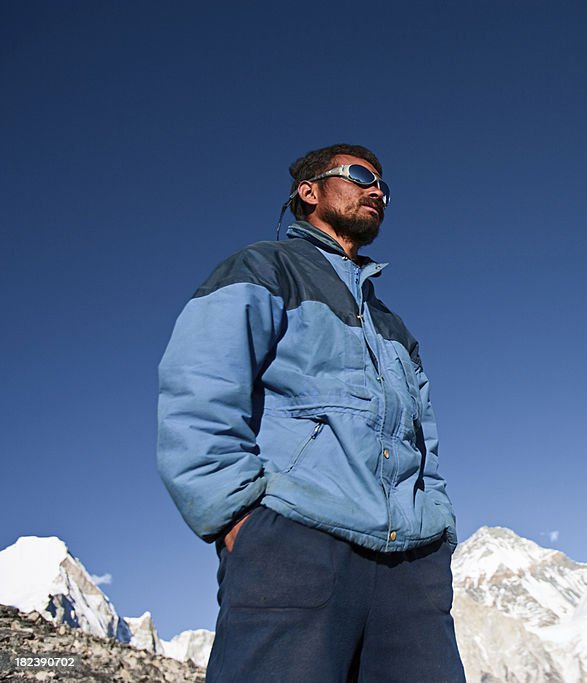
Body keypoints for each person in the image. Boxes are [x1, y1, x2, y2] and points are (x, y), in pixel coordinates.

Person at [157, 143, 465, 682]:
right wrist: (239, 520)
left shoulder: (393, 326)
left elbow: (426, 443)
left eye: (383, 186)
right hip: (295, 542)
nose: (377, 191)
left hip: (412, 568)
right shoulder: (262, 268)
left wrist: (438, 531)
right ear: (310, 190)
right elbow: (199, 389)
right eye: (362, 176)